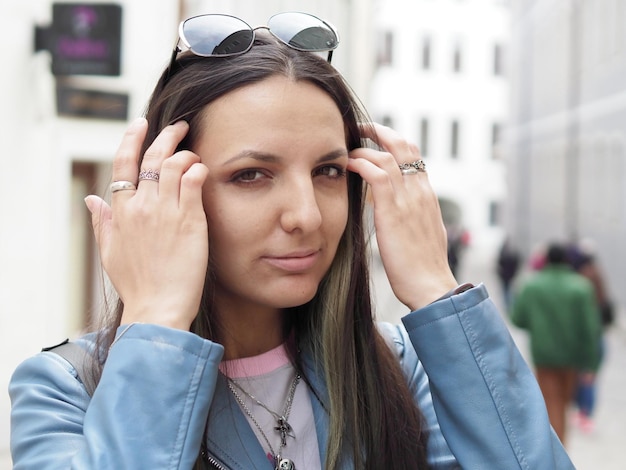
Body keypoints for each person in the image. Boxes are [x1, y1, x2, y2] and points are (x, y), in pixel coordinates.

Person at [10, 12, 574, 469]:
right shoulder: (67, 390)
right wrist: (155, 318)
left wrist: (435, 290)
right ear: (168, 194)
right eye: (251, 175)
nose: (306, 216)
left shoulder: (402, 367)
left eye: (328, 172)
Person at [512, 242, 602, 445]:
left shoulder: (532, 285)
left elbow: (518, 318)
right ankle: (560, 450)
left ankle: (555, 452)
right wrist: (591, 364)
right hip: (571, 357)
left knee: (550, 404)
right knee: (563, 404)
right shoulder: (580, 287)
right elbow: (590, 328)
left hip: (543, 356)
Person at [567, 240, 613, 433]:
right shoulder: (597, 275)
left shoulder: (581, 281)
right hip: (598, 335)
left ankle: (584, 413)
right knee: (589, 377)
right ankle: (585, 413)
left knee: (585, 376)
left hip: (589, 336)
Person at [496, 236, 520, 312]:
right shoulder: (511, 252)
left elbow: (499, 262)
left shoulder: (504, 252)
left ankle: (507, 304)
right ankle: (508, 304)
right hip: (508, 275)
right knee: (508, 289)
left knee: (506, 290)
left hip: (506, 275)